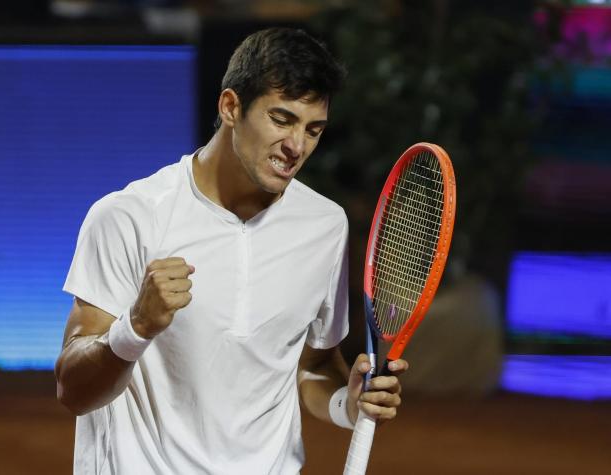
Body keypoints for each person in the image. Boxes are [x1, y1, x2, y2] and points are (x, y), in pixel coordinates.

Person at [56, 27, 407, 474]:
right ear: (230, 107)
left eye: (313, 129)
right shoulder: (128, 217)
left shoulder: (325, 225)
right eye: (281, 120)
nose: (296, 147)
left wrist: (347, 403)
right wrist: (136, 326)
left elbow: (314, 363)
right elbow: (73, 390)